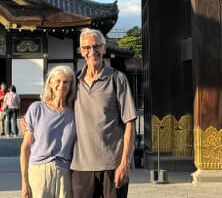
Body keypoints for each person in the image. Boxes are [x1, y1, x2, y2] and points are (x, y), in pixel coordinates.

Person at [71, 29, 136, 198]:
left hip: (112, 165)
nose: (92, 52)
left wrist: (125, 164)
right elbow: (54, 106)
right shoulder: (74, 81)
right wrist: (31, 119)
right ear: (81, 51)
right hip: (81, 166)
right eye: (86, 47)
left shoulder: (117, 79)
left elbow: (130, 122)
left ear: (104, 48)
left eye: (96, 46)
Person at [20, 66, 77, 198]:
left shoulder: (75, 112)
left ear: (71, 85)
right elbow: (25, 148)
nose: (61, 85)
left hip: (65, 172)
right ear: (50, 83)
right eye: (57, 81)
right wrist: (24, 182)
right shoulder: (37, 108)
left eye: (66, 82)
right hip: (39, 172)